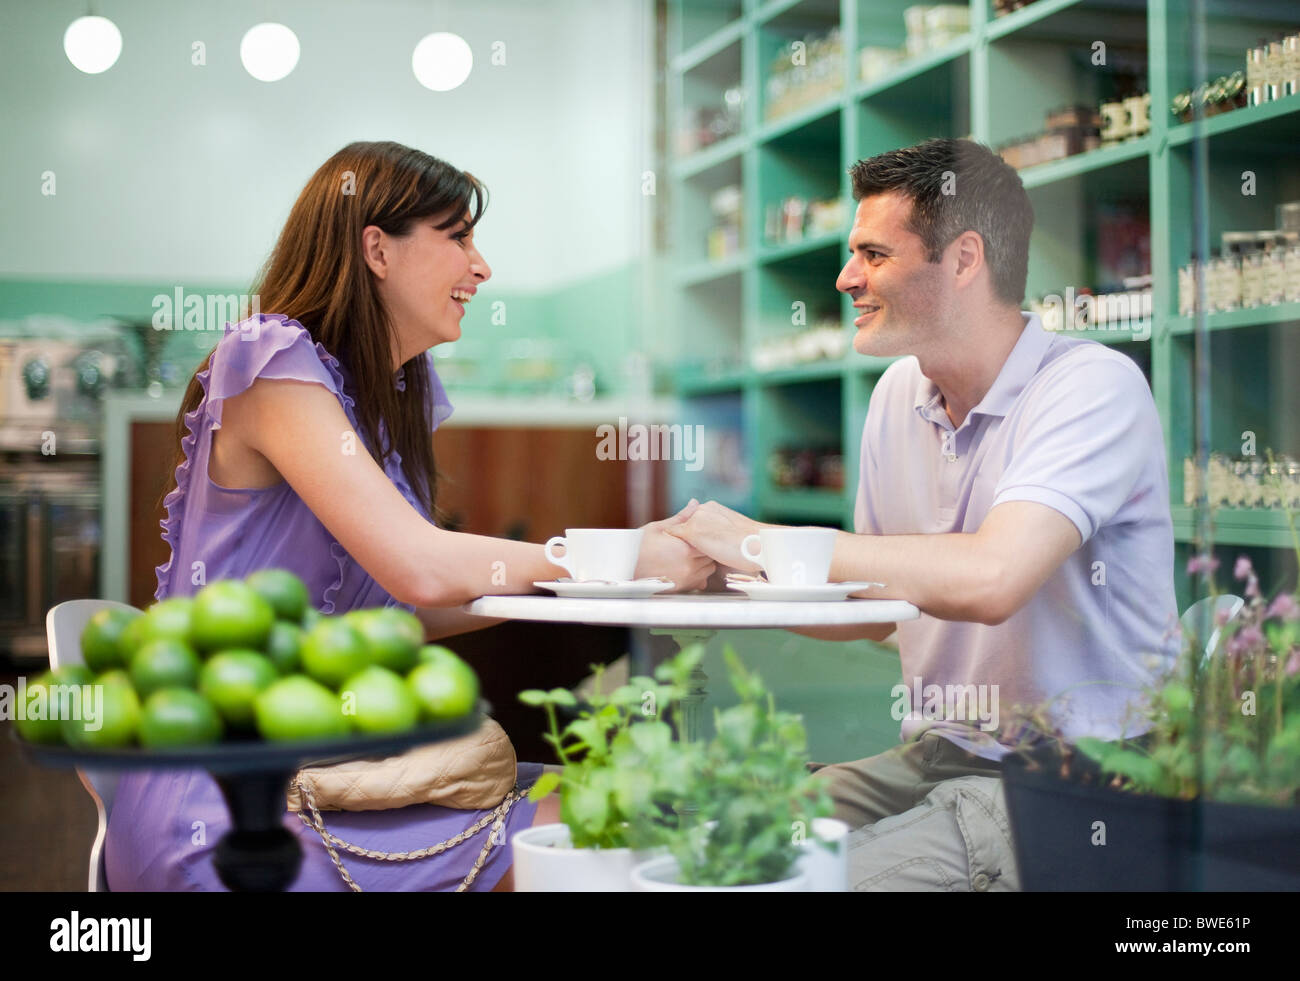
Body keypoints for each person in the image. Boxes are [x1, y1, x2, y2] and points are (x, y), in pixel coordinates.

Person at [105, 140, 715, 891]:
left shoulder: (382, 397)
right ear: (377, 250)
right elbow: (420, 566)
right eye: (458, 236)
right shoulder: (269, 359)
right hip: (227, 800)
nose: (481, 266)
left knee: (627, 806)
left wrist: (607, 574)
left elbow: (401, 609)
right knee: (608, 838)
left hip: (322, 768)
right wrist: (621, 555)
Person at [668, 138, 1179, 891]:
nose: (845, 278)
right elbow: (873, 606)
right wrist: (710, 575)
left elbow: (992, 577)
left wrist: (758, 538)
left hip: (1082, 780)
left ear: (964, 259)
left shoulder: (1091, 387)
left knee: (797, 884)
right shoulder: (897, 394)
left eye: (872, 254)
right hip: (940, 751)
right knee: (699, 849)